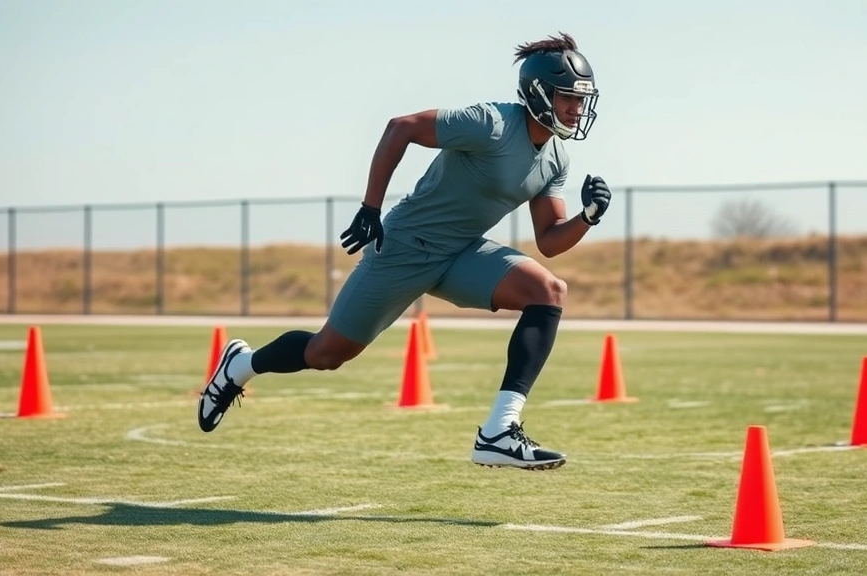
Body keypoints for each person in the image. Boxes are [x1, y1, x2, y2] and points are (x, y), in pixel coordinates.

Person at [197, 32, 611, 471]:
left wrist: (586, 217)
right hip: (405, 246)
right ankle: (241, 366)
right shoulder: (490, 122)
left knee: (548, 291)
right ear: (537, 91)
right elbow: (402, 127)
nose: (575, 108)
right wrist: (371, 207)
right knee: (326, 354)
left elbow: (549, 240)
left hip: (461, 253)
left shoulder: (556, 158)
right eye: (567, 96)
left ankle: (498, 432)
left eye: (581, 99)